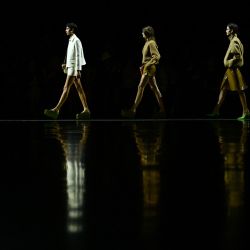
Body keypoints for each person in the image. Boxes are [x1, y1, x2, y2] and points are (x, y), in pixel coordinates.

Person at [44, 22, 90, 120]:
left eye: (67, 28)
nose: (66, 30)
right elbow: (71, 54)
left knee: (66, 87)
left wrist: (78, 70)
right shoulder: (71, 40)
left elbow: (78, 55)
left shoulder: (76, 40)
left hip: (74, 68)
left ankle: (56, 110)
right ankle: (86, 110)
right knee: (79, 88)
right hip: (71, 67)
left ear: (72, 30)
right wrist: (66, 64)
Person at [208, 22, 250, 120]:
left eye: (227, 29)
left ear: (231, 31)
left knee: (240, 90)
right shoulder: (234, 40)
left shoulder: (234, 41)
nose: (226, 31)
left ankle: (246, 111)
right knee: (223, 89)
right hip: (230, 70)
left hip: (233, 70)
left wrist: (229, 63)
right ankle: (216, 110)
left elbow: (238, 56)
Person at [121, 26, 165, 118]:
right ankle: (162, 110)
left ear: (146, 34)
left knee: (140, 87)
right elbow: (148, 58)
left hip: (149, 68)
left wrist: (147, 65)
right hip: (147, 67)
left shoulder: (151, 43)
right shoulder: (147, 43)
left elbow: (157, 56)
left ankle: (132, 110)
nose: (141, 34)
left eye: (142, 32)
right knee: (155, 89)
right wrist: (144, 65)